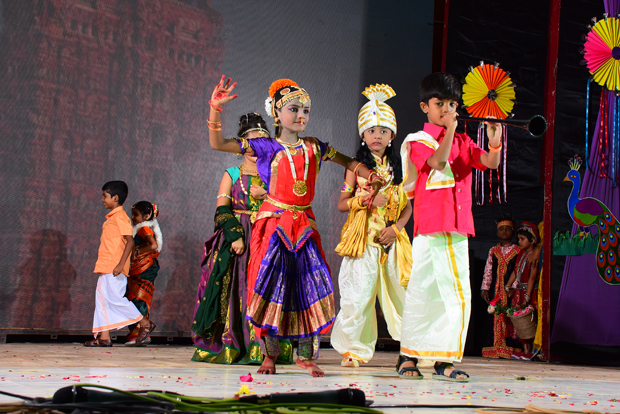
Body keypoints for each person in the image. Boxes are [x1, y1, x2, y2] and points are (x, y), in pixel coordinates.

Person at [206, 75, 384, 377]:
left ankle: (306, 356)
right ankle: (270, 356)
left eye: (305, 110)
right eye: (294, 109)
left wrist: (372, 175)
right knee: (270, 286)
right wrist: (215, 109)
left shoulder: (315, 147)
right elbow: (218, 143)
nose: (301, 115)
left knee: (308, 286)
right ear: (277, 113)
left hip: (303, 226)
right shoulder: (263, 146)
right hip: (273, 226)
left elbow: (350, 164)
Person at [397, 72, 503, 381]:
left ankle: (445, 359)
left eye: (452, 104)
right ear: (424, 107)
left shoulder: (463, 141)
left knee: (456, 295)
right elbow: (438, 163)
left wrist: (494, 143)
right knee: (423, 291)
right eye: (439, 103)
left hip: (457, 230)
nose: (446, 109)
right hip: (429, 230)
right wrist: (452, 129)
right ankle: (408, 355)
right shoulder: (417, 141)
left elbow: (490, 163)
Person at [191, 113, 293, 365]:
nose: (256, 147)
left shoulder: (276, 173)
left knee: (267, 288)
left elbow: (292, 206)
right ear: (242, 145)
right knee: (238, 288)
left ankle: (265, 348)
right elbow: (222, 210)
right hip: (240, 238)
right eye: (251, 141)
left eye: (262, 141)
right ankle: (234, 344)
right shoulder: (232, 173)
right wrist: (236, 236)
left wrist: (267, 194)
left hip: (269, 236)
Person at [330, 84, 412, 367]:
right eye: (371, 130)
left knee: (403, 295)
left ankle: (414, 350)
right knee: (359, 295)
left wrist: (397, 229)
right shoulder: (354, 168)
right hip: (364, 240)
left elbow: (408, 206)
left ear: (392, 135)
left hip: (392, 241)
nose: (377, 136)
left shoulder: (401, 168)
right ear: (363, 135)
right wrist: (365, 200)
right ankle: (353, 351)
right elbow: (342, 203)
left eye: (383, 131)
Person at [85, 181, 152, 347]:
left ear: (115, 198)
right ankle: (104, 337)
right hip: (107, 265)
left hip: (114, 267)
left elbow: (130, 241)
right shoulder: (112, 218)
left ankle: (144, 323)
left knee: (115, 298)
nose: (102, 199)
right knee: (102, 301)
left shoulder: (120, 217)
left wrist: (120, 265)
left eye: (105, 196)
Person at [480, 216, 520, 359]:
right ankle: (494, 347)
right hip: (495, 291)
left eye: (508, 229)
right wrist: (485, 288)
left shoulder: (517, 250)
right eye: (501, 229)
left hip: (510, 292)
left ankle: (509, 348)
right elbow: (488, 270)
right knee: (493, 315)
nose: (504, 231)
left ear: (513, 232)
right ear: (497, 232)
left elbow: (518, 270)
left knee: (510, 316)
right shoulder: (493, 250)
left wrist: (514, 287)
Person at [125, 201, 162, 346]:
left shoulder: (143, 229)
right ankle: (141, 334)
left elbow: (153, 245)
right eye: (132, 214)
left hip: (143, 269)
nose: (133, 217)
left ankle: (138, 334)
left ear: (146, 216)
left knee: (138, 299)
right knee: (138, 299)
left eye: (136, 214)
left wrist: (137, 250)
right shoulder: (144, 228)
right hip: (141, 268)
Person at [505, 221, 540, 357]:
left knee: (530, 321)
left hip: (530, 292)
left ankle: (532, 351)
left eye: (522, 239)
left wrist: (527, 297)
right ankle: (525, 351)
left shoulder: (534, 255)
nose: (519, 241)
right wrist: (508, 285)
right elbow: (515, 272)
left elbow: (532, 278)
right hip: (519, 292)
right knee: (521, 324)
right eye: (519, 239)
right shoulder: (521, 253)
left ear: (532, 240)